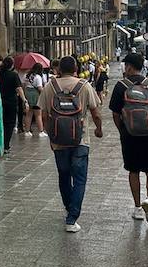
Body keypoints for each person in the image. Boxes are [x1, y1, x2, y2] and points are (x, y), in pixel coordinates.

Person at [39, 56, 103, 233]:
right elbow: (96, 112)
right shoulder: (84, 85)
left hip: (59, 140)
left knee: (64, 176)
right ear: (76, 68)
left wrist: (50, 135)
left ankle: (69, 208)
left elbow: (43, 115)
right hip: (81, 140)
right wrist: (99, 129)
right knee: (80, 179)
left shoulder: (49, 86)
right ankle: (72, 217)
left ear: (58, 69)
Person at [109, 53, 148, 227]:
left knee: (133, 171)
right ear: (142, 66)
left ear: (127, 67)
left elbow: (115, 113)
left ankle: (137, 208)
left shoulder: (121, 86)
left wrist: (122, 131)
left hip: (129, 136)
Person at [0, 57, 25, 153]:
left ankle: (0, 143)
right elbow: (19, 88)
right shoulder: (14, 75)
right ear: (12, 65)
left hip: (0, 101)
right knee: (9, 124)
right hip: (11, 102)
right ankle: (6, 145)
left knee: (1, 122)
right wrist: (24, 100)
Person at [22, 64, 46, 135]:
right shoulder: (38, 77)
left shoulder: (26, 75)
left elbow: (23, 85)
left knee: (29, 114)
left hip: (27, 94)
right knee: (38, 114)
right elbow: (39, 88)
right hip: (35, 95)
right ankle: (41, 131)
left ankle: (27, 131)